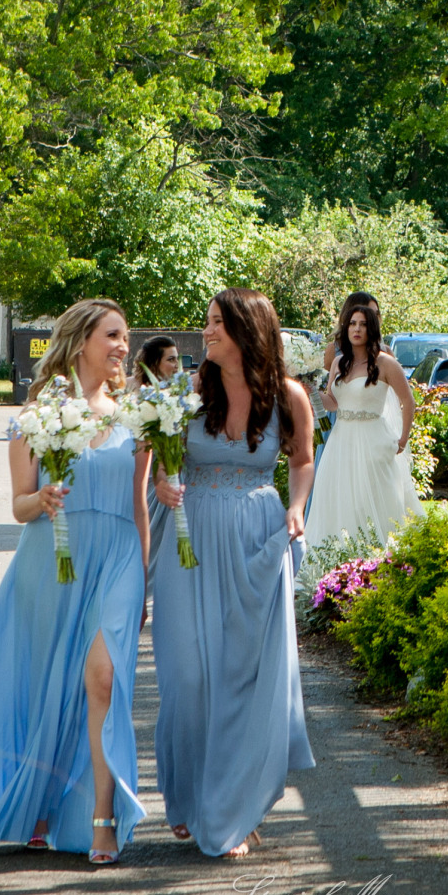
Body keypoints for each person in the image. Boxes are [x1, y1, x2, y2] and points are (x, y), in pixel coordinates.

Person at [0, 298, 151, 867]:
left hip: (117, 558)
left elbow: (140, 504)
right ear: (81, 341)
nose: (123, 346)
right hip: (52, 560)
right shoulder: (35, 417)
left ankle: (102, 816)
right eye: (113, 335)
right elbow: (18, 504)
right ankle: (39, 805)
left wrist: (146, 578)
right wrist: (39, 500)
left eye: (125, 337)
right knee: (45, 687)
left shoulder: (137, 416)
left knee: (101, 678)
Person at [152, 287, 316, 858]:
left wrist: (295, 508)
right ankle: (189, 792)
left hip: (254, 540)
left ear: (247, 329)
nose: (207, 334)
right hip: (190, 541)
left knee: (243, 678)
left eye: (218, 323)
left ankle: (236, 807)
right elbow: (159, 463)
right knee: (189, 676)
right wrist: (161, 484)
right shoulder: (189, 392)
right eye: (208, 323)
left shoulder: (289, 396)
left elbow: (301, 461)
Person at [304, 302, 424, 553]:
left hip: (373, 439)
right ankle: (339, 558)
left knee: (374, 502)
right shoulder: (339, 363)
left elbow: (408, 401)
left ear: (372, 329)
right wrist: (309, 388)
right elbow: (333, 403)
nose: (357, 329)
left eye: (363, 324)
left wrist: (403, 438)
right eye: (352, 324)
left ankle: (380, 558)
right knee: (342, 499)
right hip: (340, 442)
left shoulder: (385, 363)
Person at [128, 335, 180, 590]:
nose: (176, 365)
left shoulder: (177, 395)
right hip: (141, 478)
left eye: (177, 359)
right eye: (170, 359)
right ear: (155, 362)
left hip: (167, 475)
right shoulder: (131, 392)